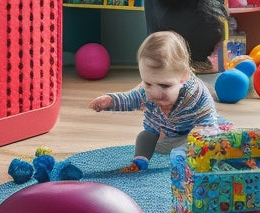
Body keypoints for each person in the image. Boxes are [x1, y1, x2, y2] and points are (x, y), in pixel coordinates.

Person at [88, 30, 220, 172]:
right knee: (145, 136)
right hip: (159, 135)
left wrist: (207, 135)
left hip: (185, 135)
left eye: (165, 86)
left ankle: (183, 161)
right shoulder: (146, 91)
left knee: (197, 143)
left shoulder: (195, 94)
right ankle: (140, 162)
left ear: (184, 77)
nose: (156, 93)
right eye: (149, 84)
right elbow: (130, 98)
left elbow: (207, 117)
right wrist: (109, 101)